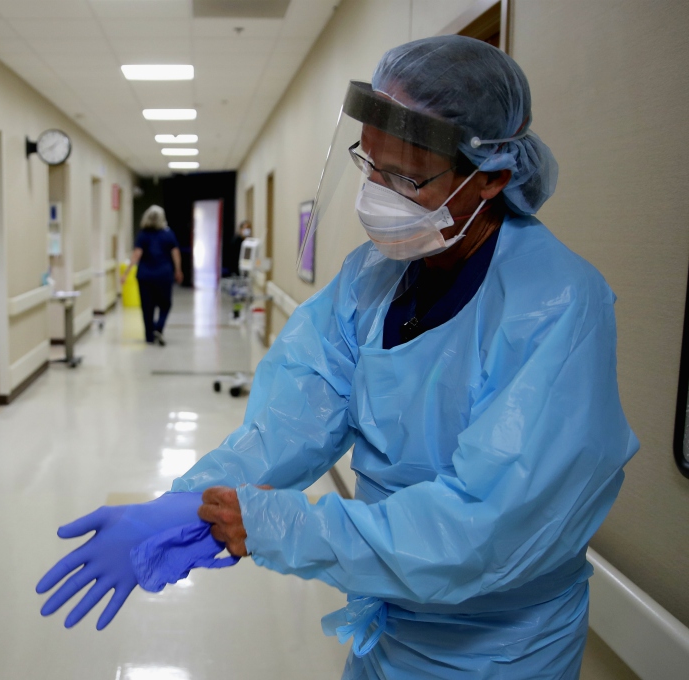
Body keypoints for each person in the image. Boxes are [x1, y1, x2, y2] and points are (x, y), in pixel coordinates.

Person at [39, 36, 638, 679]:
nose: (378, 192)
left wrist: (275, 526)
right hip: (385, 622)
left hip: (498, 650)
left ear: (489, 176)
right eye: (370, 165)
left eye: (406, 176)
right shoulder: (372, 278)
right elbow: (296, 419)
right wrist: (188, 505)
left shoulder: (556, 307)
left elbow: (480, 530)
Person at [120, 205, 183, 345]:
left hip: (145, 276)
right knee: (165, 304)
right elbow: (176, 253)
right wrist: (178, 270)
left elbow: (136, 255)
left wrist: (126, 273)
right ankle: (159, 328)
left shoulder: (143, 235)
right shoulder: (168, 234)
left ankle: (149, 336)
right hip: (163, 275)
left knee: (147, 307)